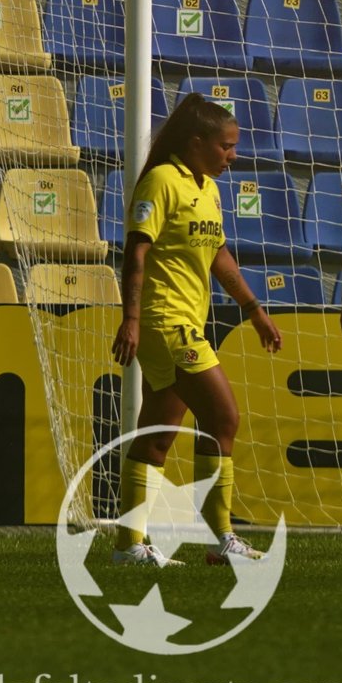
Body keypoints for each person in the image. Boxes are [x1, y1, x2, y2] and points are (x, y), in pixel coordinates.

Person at [110, 94, 283, 567]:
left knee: (157, 438)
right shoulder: (162, 181)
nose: (234, 155)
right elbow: (136, 252)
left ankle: (129, 545)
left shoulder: (207, 187)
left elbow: (218, 254)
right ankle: (220, 538)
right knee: (224, 418)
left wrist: (253, 308)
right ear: (197, 142)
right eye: (226, 146)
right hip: (166, 322)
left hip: (187, 321)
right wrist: (132, 317)